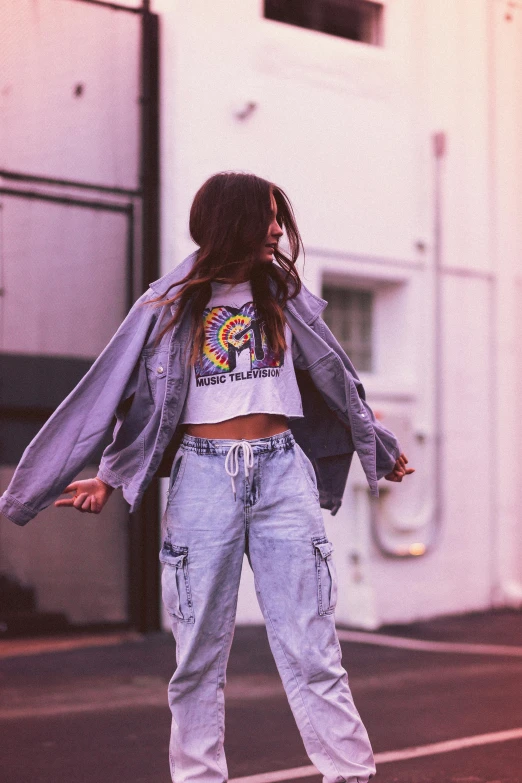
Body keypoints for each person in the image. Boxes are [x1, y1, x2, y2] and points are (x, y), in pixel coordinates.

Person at [0, 171, 414, 783]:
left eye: (280, 217)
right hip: (202, 480)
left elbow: (336, 375)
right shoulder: (167, 305)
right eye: (267, 217)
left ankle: (351, 776)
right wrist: (105, 477)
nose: (277, 229)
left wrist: (377, 445)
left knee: (313, 650)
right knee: (196, 658)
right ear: (231, 221)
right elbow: (112, 394)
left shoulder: (286, 295)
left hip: (282, 473)